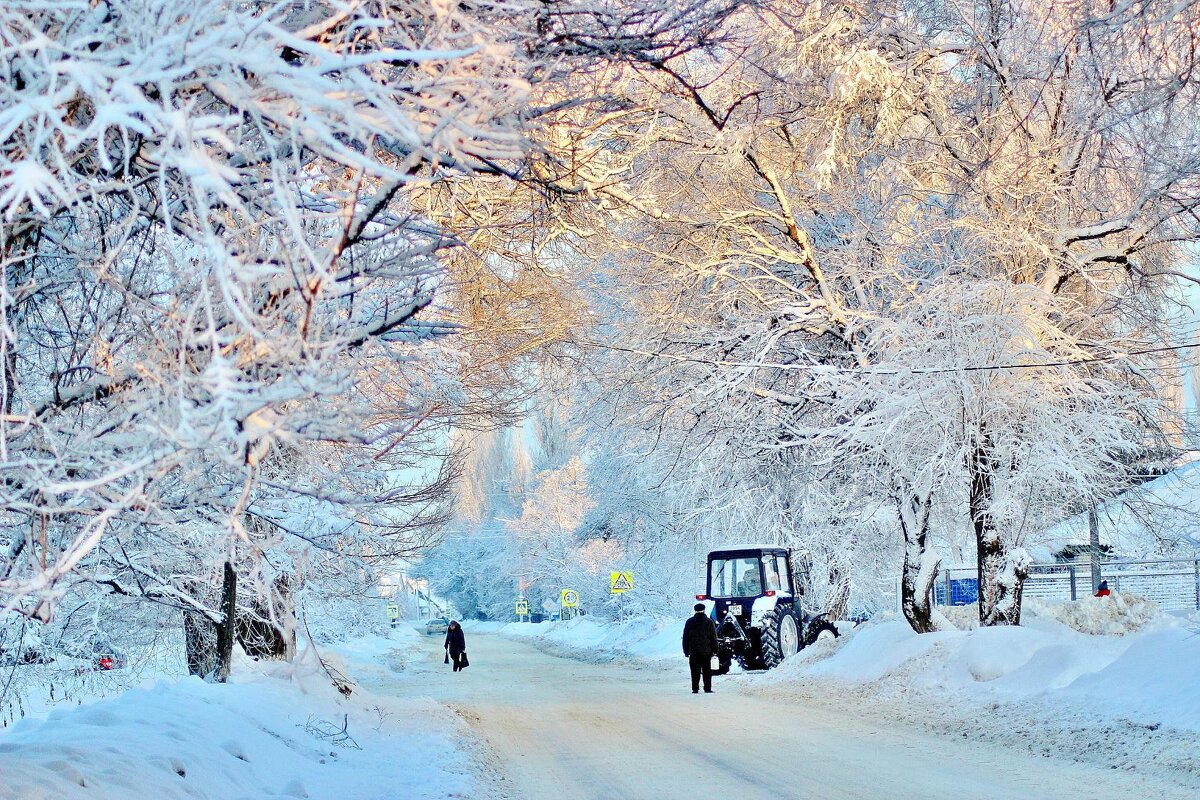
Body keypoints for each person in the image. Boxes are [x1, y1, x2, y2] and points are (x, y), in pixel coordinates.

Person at [682, 602, 719, 694]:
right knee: (707, 671)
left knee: (694, 671)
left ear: (695, 611)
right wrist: (715, 649)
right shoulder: (709, 622)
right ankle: (707, 688)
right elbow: (713, 637)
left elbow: (685, 637)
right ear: (704, 610)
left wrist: (686, 651)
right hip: (706, 651)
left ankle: (695, 688)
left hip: (693, 651)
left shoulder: (689, 622)